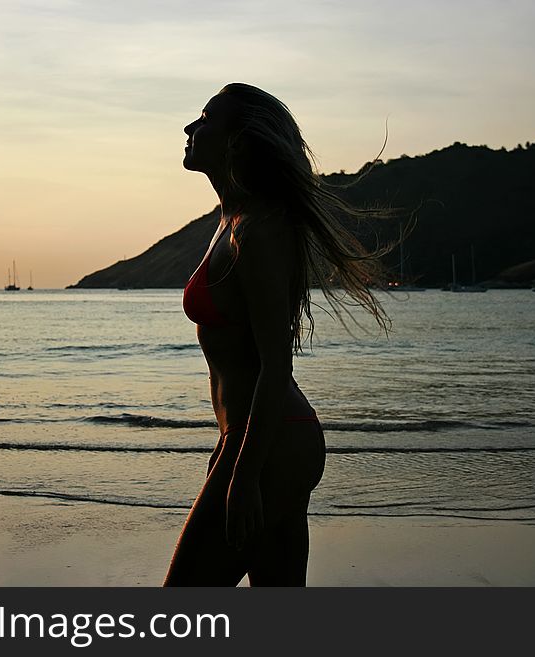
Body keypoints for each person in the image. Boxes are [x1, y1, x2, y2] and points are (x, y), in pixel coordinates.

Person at [163, 83, 391, 586]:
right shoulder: (231, 219)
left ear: (238, 140)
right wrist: (231, 454)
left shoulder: (260, 228)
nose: (190, 128)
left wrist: (243, 476)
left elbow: (275, 365)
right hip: (257, 442)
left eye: (205, 119)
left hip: (267, 445)